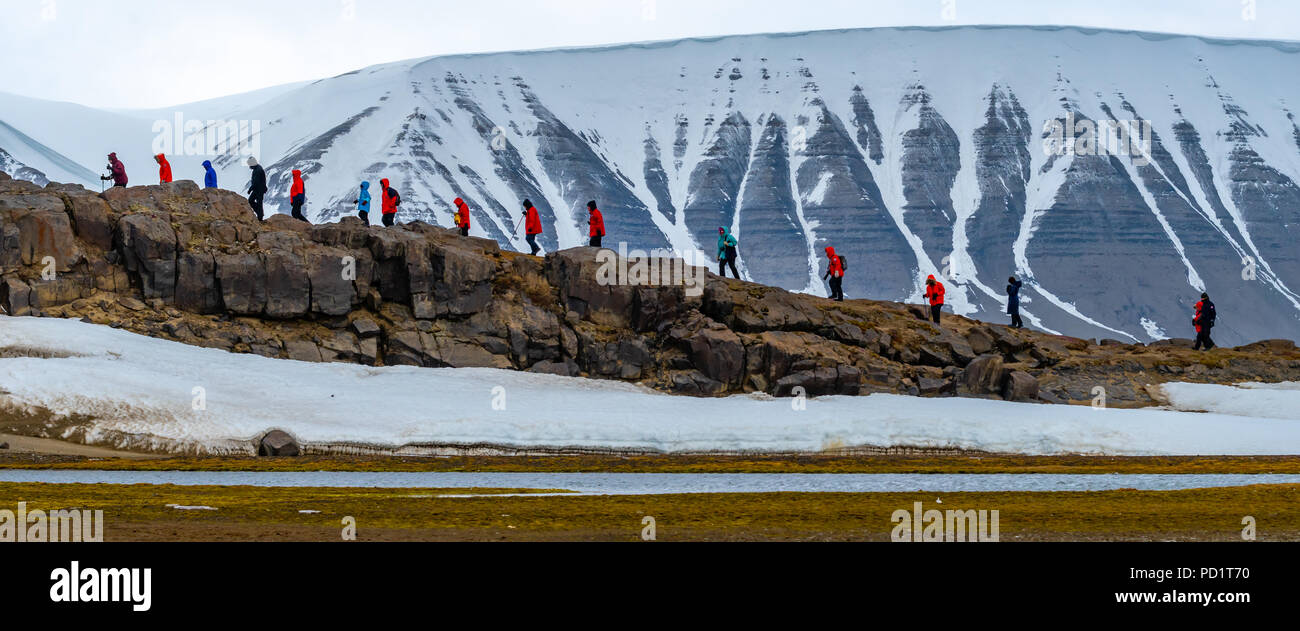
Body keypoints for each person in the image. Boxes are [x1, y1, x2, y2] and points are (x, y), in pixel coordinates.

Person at [246, 157, 267, 221]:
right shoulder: (257, 168)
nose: (249, 166)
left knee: (254, 201)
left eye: (250, 165)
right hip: (258, 189)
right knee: (255, 202)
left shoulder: (258, 170)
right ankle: (259, 213)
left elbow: (256, 182)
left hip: (259, 190)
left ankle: (260, 216)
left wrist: (250, 189)